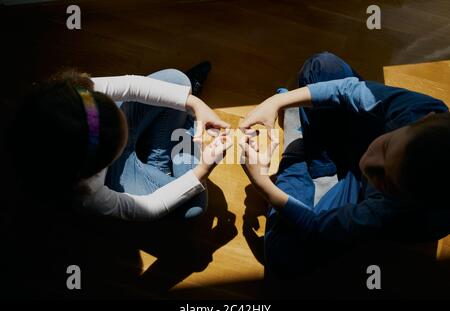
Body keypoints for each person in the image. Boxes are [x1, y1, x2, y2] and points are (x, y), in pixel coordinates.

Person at [239, 52, 450, 276]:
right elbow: (348, 90)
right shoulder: (418, 109)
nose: (368, 163)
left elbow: (315, 227)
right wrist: (275, 101)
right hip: (368, 154)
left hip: (367, 198)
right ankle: (314, 152)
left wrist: (261, 183)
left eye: (385, 179)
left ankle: (302, 152)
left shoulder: (388, 211)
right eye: (387, 147)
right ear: (424, 119)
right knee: (323, 66)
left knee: (281, 256)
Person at [12, 63, 232, 221]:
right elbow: (148, 209)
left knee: (178, 81)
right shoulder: (87, 194)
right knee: (193, 208)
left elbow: (131, 87)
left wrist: (195, 104)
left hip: (100, 149)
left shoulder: (80, 97)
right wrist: (202, 170)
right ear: (100, 165)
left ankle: (172, 144)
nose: (121, 106)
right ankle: (178, 140)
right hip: (115, 174)